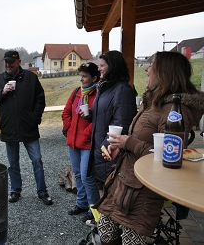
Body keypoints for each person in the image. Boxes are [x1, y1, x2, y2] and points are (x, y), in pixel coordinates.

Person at [94, 51, 204, 244]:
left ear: (164, 73)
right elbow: (141, 141)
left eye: (152, 65)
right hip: (122, 181)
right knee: (105, 233)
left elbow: (170, 157)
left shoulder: (175, 112)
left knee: (130, 241)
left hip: (142, 192)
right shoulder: (152, 102)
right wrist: (122, 147)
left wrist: (128, 142)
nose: (147, 69)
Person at [0, 50, 53, 205]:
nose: (8, 64)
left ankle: (42, 192)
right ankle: (15, 190)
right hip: (9, 128)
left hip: (29, 128)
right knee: (12, 164)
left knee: (37, 160)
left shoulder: (31, 78)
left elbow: (40, 99)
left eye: (11, 62)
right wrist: (2, 92)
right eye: (6, 62)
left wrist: (35, 118)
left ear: (19, 62)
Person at [85, 50, 137, 188]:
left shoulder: (122, 90)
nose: (98, 69)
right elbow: (105, 114)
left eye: (102, 65)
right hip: (100, 149)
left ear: (113, 66)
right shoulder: (105, 88)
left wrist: (104, 147)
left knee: (112, 190)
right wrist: (90, 115)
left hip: (109, 151)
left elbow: (122, 124)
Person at [62, 62, 101, 222]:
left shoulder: (99, 95)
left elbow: (99, 120)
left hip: (86, 143)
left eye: (85, 76)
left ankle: (95, 211)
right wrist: (69, 128)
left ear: (94, 78)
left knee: (86, 176)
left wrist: (85, 134)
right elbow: (66, 113)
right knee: (77, 174)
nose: (81, 79)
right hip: (73, 142)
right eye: (81, 75)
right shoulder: (76, 92)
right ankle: (81, 204)